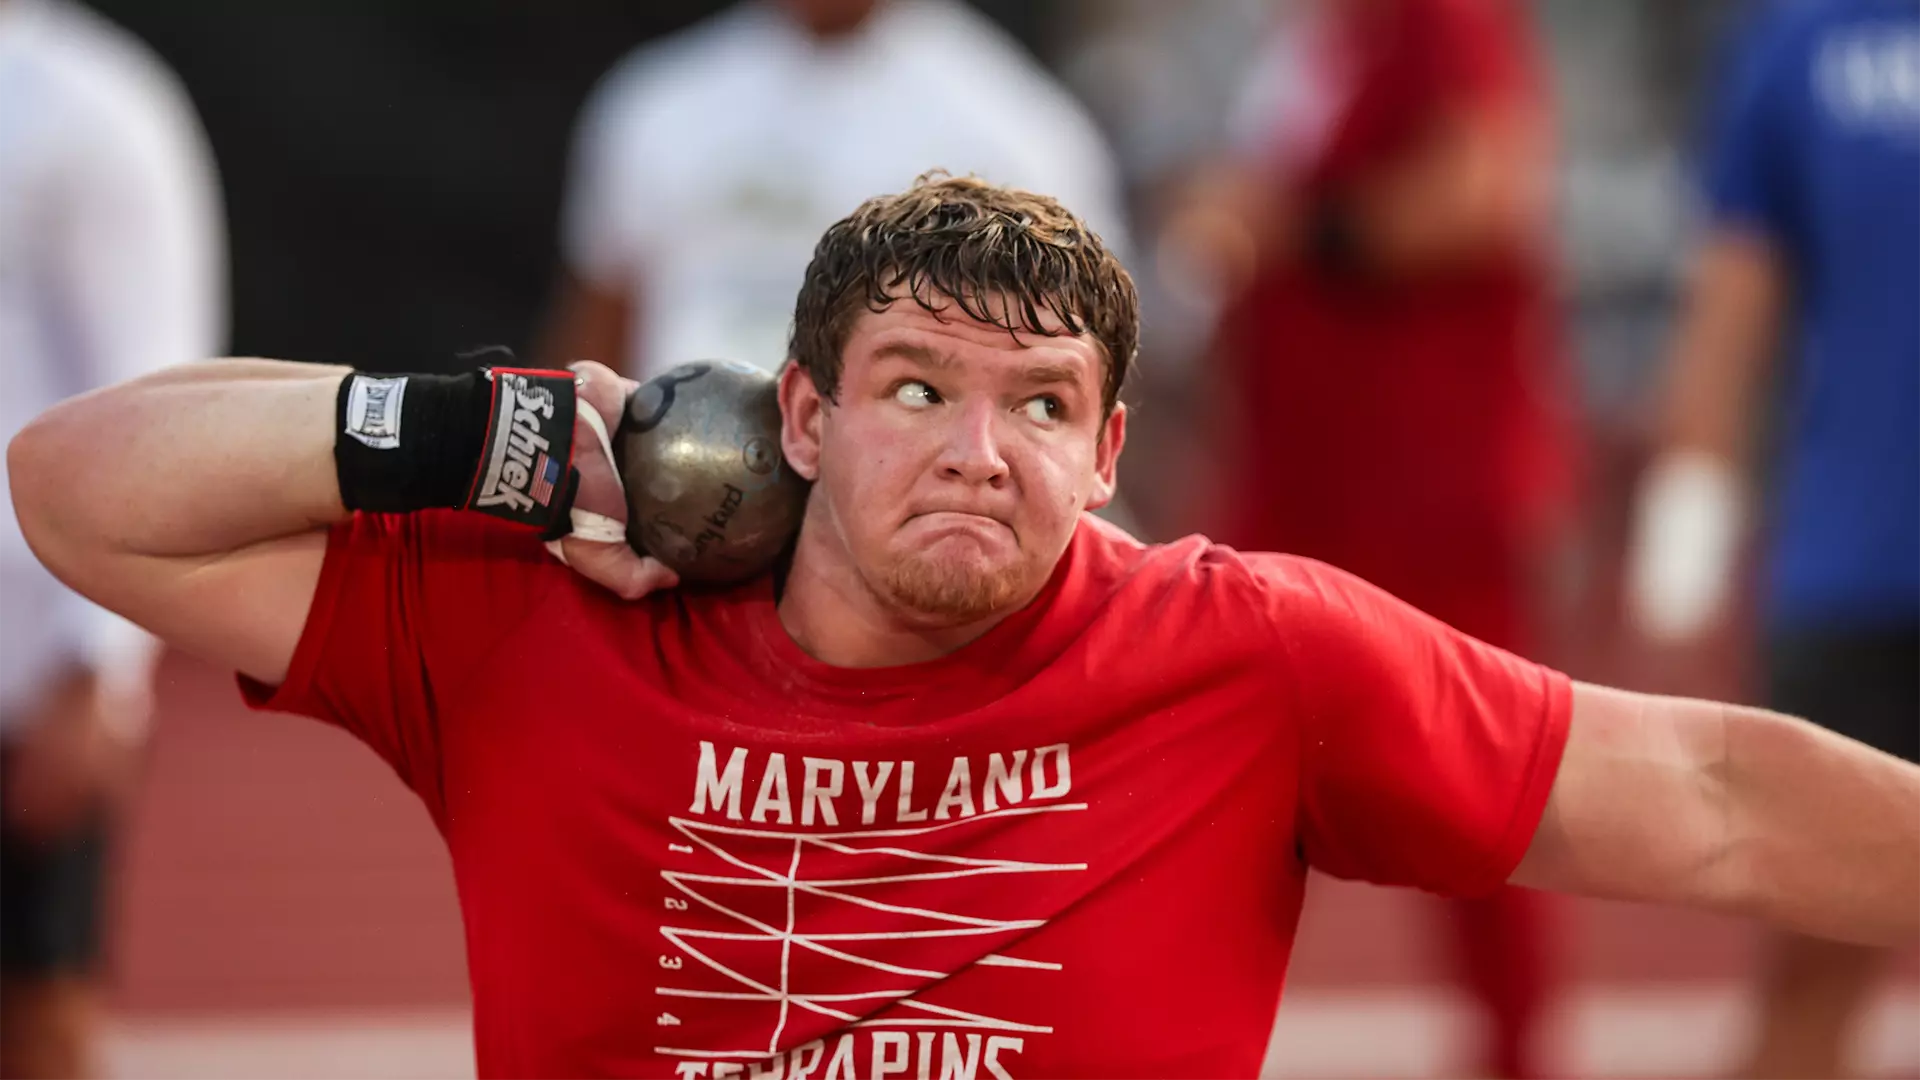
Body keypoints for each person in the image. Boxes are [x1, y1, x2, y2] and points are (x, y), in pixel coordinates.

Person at [11, 173, 1920, 1080]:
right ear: (803, 416)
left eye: (1037, 407)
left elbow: (1717, 800)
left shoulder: (1246, 660)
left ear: (1108, 452)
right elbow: (77, 486)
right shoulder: (552, 629)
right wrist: (497, 436)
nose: (976, 454)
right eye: (917, 392)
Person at [1161, 0, 1580, 1075]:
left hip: (1424, 484)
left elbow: (1486, 187)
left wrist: (1284, 227)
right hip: (1304, 478)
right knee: (1204, 760)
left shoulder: (1439, 19)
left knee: (1484, 776)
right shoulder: (1309, 45)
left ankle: (1517, 1046)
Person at [1626, 3, 1920, 1078]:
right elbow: (1732, 306)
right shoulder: (1801, 46)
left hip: (1847, 572)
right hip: (1855, 577)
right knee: (1813, 970)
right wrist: (1682, 555)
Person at [0, 0, 226, 1077]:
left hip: (21, 654)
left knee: (38, 998)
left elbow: (154, 387)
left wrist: (102, 664)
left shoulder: (87, 103)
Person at [539, 0, 1130, 383]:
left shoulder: (1018, 133)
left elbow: (1072, 364)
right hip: (671, 500)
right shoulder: (659, 102)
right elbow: (596, 330)